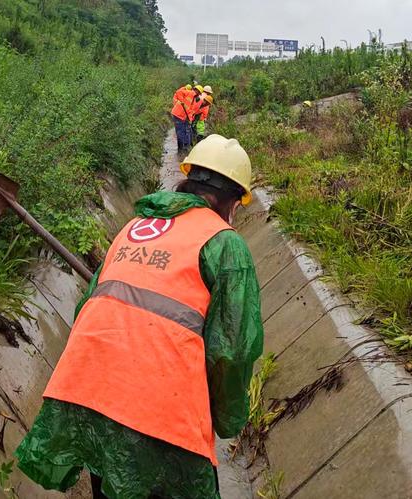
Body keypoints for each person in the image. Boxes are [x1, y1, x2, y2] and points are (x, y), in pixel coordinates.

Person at [15, 135, 264, 499]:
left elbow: (88, 305)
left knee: (109, 481)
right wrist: (226, 417)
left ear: (188, 180)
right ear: (232, 200)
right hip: (158, 414)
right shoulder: (225, 244)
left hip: (85, 392)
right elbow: (232, 350)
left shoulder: (134, 228)